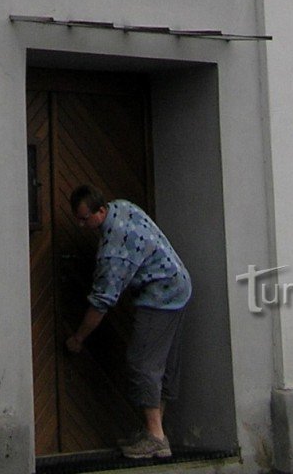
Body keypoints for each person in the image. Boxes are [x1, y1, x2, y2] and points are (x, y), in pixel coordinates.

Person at [65, 184, 191, 463]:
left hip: (162, 295)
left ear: (100, 210)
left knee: (141, 362)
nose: (81, 225)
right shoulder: (122, 205)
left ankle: (156, 438)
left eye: (85, 219)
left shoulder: (114, 249)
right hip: (178, 284)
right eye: (78, 218)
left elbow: (101, 301)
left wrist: (78, 338)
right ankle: (153, 431)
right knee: (161, 363)